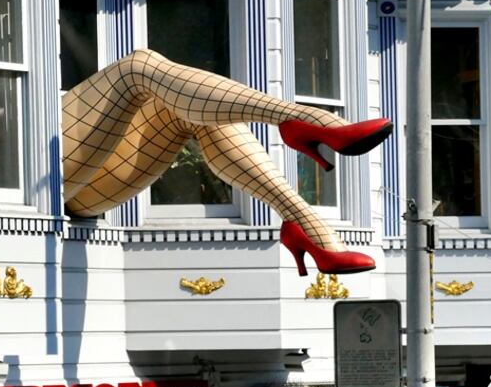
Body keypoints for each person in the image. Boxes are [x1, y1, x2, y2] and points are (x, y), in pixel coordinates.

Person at [61, 49, 392, 276]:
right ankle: (304, 122)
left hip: (82, 182)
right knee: (137, 67)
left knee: (198, 112)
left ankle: (302, 215)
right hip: (45, 181)